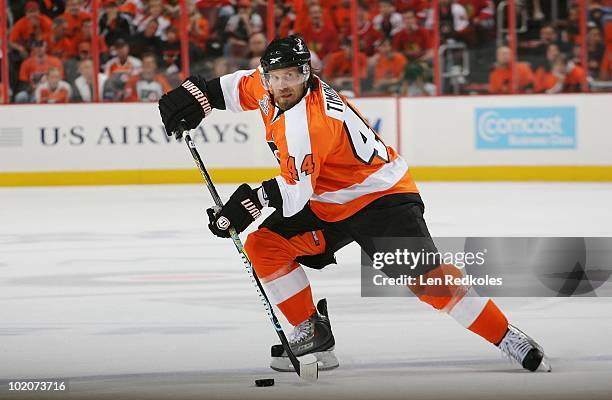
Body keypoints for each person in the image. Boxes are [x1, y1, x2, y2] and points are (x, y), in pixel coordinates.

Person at [158, 35, 551, 374]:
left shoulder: (308, 123)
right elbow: (234, 88)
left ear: (307, 75)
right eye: (275, 77)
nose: (282, 85)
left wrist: (244, 206)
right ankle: (314, 335)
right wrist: (197, 97)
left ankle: (507, 338)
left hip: (380, 199)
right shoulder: (266, 87)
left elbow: (293, 196)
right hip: (328, 199)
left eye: (292, 76)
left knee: (429, 282)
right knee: (265, 246)